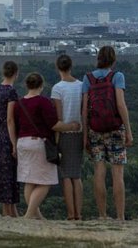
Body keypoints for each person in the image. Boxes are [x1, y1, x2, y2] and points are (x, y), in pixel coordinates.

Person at [10, 73, 81, 219]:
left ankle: (37, 216)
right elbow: (54, 125)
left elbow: (15, 124)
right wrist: (72, 126)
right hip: (39, 143)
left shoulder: (19, 103)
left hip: (22, 143)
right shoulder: (43, 102)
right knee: (46, 181)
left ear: (26, 85)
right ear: (41, 86)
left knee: (30, 181)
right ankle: (29, 215)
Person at [81, 45, 133, 221]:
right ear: (114, 59)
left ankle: (102, 215)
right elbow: (120, 104)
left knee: (99, 171)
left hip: (95, 130)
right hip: (115, 129)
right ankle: (120, 216)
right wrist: (128, 130)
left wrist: (85, 135)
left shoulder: (88, 78)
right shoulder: (117, 77)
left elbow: (84, 110)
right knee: (118, 173)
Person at [51, 55, 84, 220]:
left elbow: (57, 117)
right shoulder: (81, 86)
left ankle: (71, 214)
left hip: (64, 134)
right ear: (71, 67)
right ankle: (79, 213)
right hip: (79, 133)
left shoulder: (57, 88)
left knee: (65, 176)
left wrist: (55, 139)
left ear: (58, 68)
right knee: (76, 175)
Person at [0, 61, 20, 217]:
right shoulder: (11, 92)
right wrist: (14, 143)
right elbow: (10, 119)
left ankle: (8, 210)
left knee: (2, 174)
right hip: (7, 135)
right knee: (10, 173)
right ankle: (9, 211)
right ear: (16, 73)